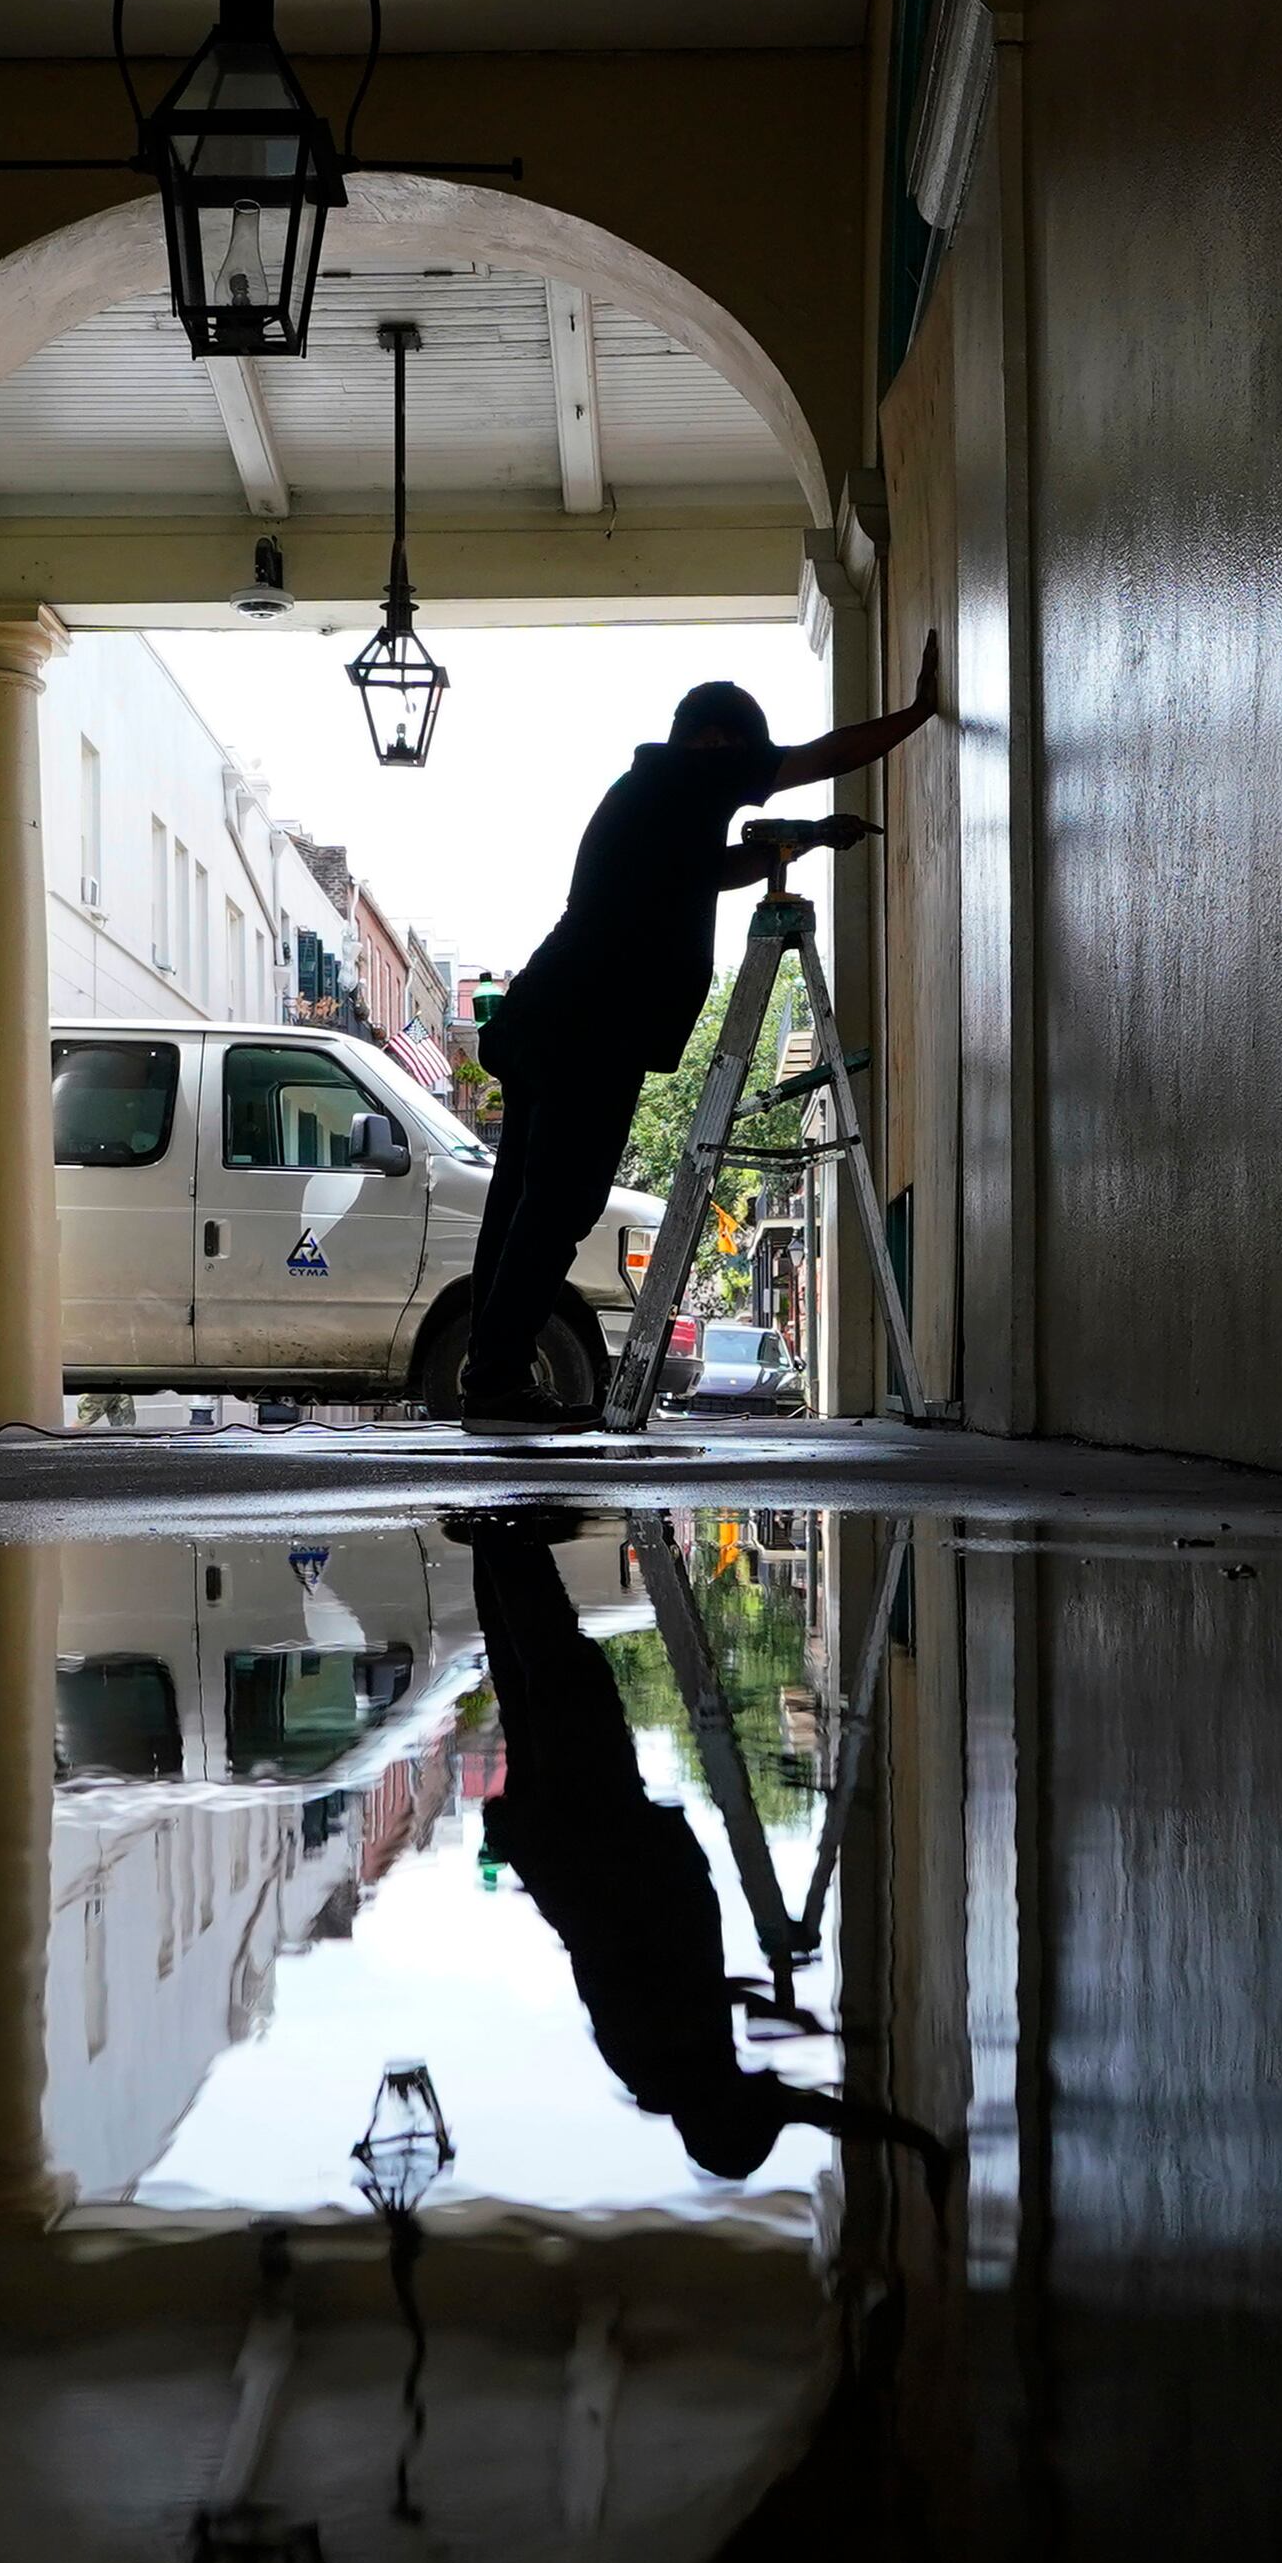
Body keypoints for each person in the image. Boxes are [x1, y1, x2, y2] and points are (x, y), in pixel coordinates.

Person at [452, 641, 946, 1428]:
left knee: (523, 1201)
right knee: (561, 1201)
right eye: (746, 756)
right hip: (591, 1024)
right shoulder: (689, 774)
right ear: (719, 743)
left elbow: (708, 872)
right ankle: (499, 1380)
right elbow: (820, 756)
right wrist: (917, 716)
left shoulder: (652, 796)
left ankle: (489, 1377)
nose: (751, 772)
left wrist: (806, 840)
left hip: (549, 1016)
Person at [456, 1505, 955, 2192]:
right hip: (578, 1841)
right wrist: (916, 2142)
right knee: (537, 1680)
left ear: (728, 2114)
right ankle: (493, 1539)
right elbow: (809, 2107)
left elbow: (632, 1953)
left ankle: (502, 1534)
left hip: (594, 1835)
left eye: (762, 2111)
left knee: (564, 1676)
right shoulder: (679, 2069)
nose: (774, 2096)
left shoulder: (671, 2060)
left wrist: (755, 2002)